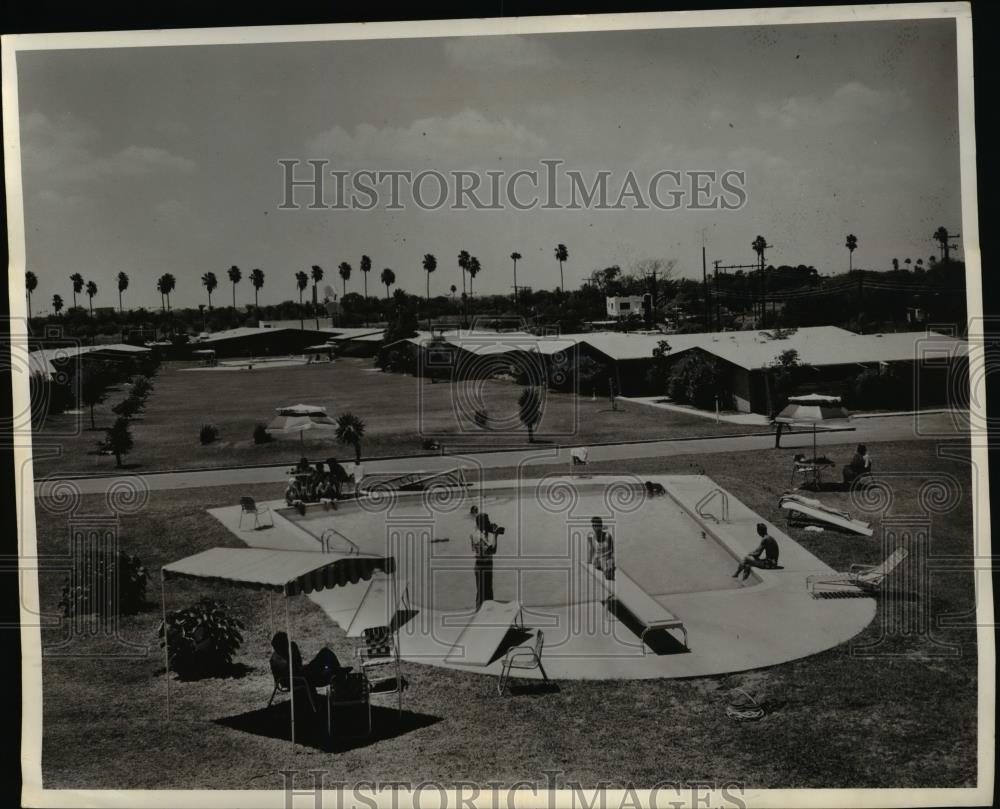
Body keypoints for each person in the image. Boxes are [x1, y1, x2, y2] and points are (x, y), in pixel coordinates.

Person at [269, 631, 348, 690]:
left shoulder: (284, 652)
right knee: (325, 653)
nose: (288, 643)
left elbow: (297, 665)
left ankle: (337, 671)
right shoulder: (277, 658)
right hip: (298, 678)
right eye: (287, 642)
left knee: (325, 656)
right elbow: (290, 672)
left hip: (302, 674)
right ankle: (337, 671)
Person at [470, 512, 499, 609]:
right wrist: (495, 535)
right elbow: (493, 550)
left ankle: (488, 616)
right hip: (482, 565)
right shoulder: (478, 536)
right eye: (487, 521)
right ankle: (479, 617)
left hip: (485, 564)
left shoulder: (480, 532)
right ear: (481, 523)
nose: (489, 523)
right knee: (482, 595)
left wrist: (489, 531)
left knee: (488, 593)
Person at [587, 516, 615, 581]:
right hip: (598, 558)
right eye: (593, 525)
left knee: (610, 562)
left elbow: (612, 550)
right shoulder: (590, 537)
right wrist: (589, 562)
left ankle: (609, 570)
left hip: (608, 557)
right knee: (602, 561)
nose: (594, 527)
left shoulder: (608, 536)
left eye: (596, 525)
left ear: (600, 526)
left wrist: (611, 559)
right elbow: (591, 549)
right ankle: (607, 571)